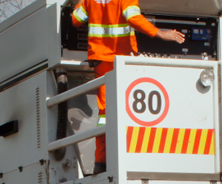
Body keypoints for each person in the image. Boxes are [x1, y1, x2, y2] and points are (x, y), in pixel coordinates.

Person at [72, 0, 185, 174]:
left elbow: (76, 19)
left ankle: (101, 162)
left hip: (101, 60)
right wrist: (159, 34)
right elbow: (133, 17)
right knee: (130, 110)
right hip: (122, 59)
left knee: (105, 113)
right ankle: (132, 157)